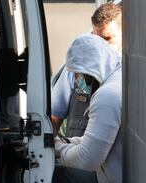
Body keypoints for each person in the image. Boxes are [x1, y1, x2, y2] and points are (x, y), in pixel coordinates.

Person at [53, 34, 123, 183]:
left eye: (81, 74)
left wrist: (57, 150)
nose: (80, 81)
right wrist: (68, 143)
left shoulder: (106, 96)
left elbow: (87, 159)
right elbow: (96, 141)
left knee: (55, 178)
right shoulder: (119, 79)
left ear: (93, 66)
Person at [51, 3, 122, 135]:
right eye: (96, 38)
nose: (100, 45)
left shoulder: (127, 71)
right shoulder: (76, 67)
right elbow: (55, 116)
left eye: (107, 38)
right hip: (74, 150)